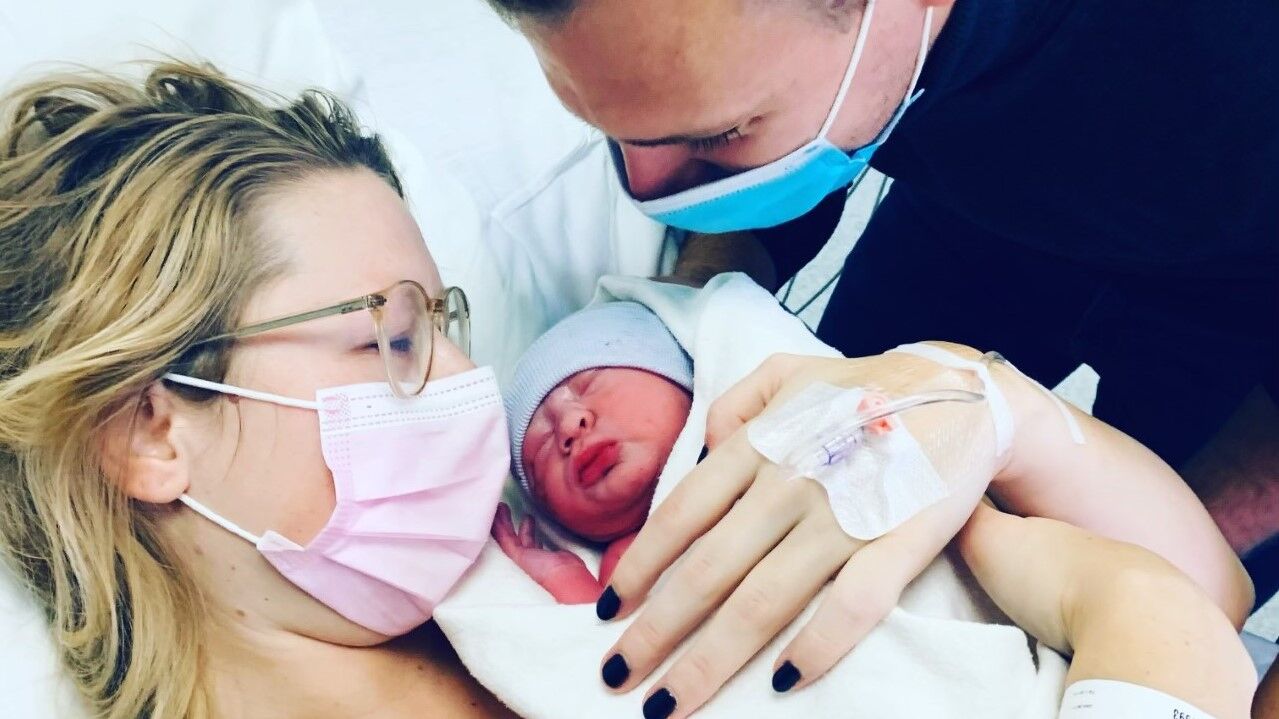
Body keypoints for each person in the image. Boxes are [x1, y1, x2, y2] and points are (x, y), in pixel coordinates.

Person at [482, 0, 1278, 711]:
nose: (649, 188)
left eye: (717, 136)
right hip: (971, 218)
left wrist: (1133, 608)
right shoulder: (867, 62)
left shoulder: (1228, 58)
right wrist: (688, 318)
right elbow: (769, 192)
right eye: (619, 136)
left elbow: (1190, 595)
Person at [0, 63, 516, 718]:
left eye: (441, 328)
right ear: (148, 434)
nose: (465, 377)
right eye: (389, 340)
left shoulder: (557, 609)